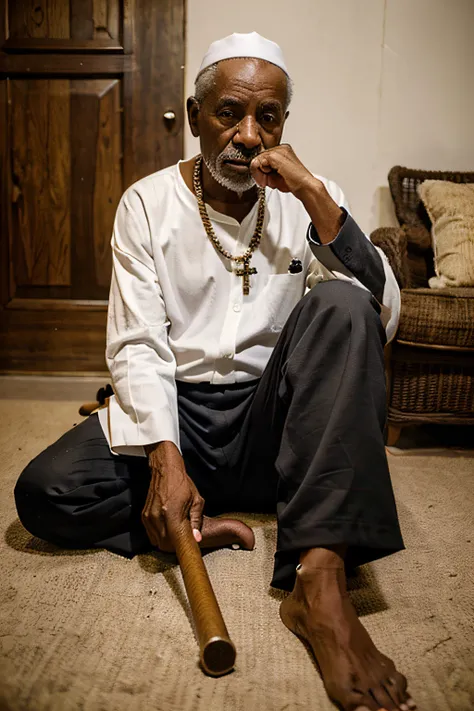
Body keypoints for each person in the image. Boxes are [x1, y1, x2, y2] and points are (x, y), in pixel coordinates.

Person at [15, 32, 416, 711]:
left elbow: (381, 315)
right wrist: (165, 461)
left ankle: (318, 579)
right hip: (182, 415)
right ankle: (191, 519)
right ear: (197, 113)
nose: (249, 135)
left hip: (274, 417)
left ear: (285, 123)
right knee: (45, 492)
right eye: (229, 113)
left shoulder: (309, 200)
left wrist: (316, 195)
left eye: (269, 117)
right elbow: (139, 343)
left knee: (346, 301)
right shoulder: (146, 202)